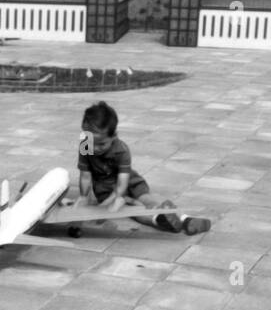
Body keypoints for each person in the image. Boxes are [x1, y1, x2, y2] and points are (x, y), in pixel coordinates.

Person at [77, 101, 210, 236]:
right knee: (133, 211)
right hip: (105, 189)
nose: (95, 148)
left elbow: (122, 182)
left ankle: (186, 219)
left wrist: (112, 200)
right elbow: (85, 175)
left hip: (129, 183)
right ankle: (159, 220)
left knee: (147, 199)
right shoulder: (86, 145)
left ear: (114, 135)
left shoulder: (121, 150)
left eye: (101, 144)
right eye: (91, 142)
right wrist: (83, 197)